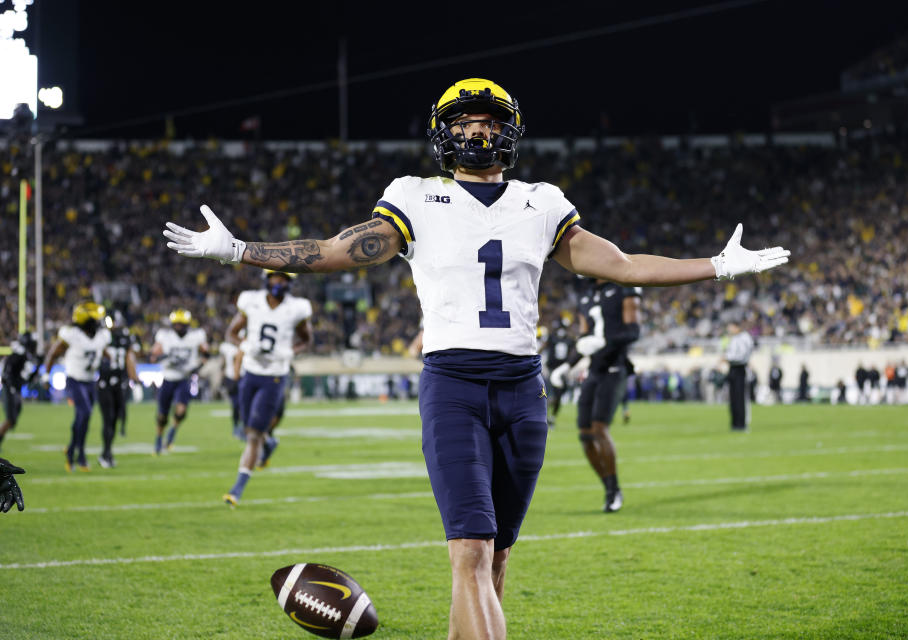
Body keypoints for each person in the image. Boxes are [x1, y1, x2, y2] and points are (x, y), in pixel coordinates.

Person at [163, 77, 790, 640]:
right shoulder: (414, 198)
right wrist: (240, 249)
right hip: (454, 385)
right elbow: (335, 250)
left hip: (523, 389)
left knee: (495, 558)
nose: (478, 131)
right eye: (465, 123)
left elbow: (623, 266)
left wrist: (717, 265)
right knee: (468, 551)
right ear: (444, 135)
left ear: (509, 133)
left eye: (489, 122)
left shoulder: (541, 202)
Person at [222, 270, 312, 507]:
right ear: (267, 279)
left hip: (274, 376)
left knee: (252, 435)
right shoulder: (251, 301)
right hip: (250, 373)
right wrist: (246, 345)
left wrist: (291, 351)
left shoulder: (297, 308)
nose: (279, 283)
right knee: (248, 428)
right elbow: (231, 333)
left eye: (283, 279)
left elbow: (306, 340)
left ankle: (237, 489)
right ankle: (269, 443)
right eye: (275, 277)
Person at [571, 279, 640, 512]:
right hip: (593, 371)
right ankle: (609, 487)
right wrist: (565, 365)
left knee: (600, 429)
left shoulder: (623, 288)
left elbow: (633, 330)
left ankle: (613, 490)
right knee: (585, 436)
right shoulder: (584, 296)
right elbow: (583, 336)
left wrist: (604, 342)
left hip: (615, 368)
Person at [43, 302, 112, 472]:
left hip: (90, 381)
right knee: (85, 412)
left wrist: (110, 362)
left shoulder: (101, 336)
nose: (100, 323)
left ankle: (72, 448)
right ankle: (79, 454)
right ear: (88, 322)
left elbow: (104, 352)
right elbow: (53, 353)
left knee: (84, 417)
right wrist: (46, 375)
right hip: (74, 380)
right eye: (96, 320)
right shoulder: (72, 335)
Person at [150, 309, 209, 455]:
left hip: (183, 377)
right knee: (162, 415)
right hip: (168, 377)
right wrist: (163, 357)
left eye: (181, 324)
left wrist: (198, 365)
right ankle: (159, 438)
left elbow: (206, 353)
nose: (179, 327)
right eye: (176, 324)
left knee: (181, 411)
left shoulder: (196, 336)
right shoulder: (165, 336)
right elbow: (153, 355)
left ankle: (171, 433)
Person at [96, 311, 141, 468]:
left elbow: (130, 357)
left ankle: (106, 453)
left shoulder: (125, 337)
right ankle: (106, 454)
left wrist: (134, 378)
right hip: (105, 383)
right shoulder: (100, 336)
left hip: (120, 383)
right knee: (108, 419)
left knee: (115, 419)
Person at [0, 332, 40, 452]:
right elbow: (8, 368)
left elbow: (26, 378)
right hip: (10, 388)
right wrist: (10, 384)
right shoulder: (19, 352)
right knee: (11, 419)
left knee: (13, 420)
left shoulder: (25, 354)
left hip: (15, 389)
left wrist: (36, 369)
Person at [724, 321, 753, 431]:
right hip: (732, 369)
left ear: (736, 327)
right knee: (733, 397)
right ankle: (735, 423)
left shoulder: (745, 338)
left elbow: (742, 355)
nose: (729, 330)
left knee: (740, 397)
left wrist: (728, 358)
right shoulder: (733, 338)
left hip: (740, 368)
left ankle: (742, 423)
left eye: (731, 327)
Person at [219, 337, 244, 440]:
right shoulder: (226, 347)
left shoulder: (246, 346)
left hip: (244, 376)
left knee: (244, 405)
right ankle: (235, 426)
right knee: (235, 405)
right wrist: (222, 375)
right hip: (231, 378)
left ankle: (243, 428)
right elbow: (223, 361)